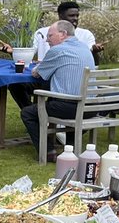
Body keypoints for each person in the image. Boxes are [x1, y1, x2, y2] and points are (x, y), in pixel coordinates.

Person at [19, 20, 95, 158]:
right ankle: (70, 147)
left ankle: (48, 151)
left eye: (50, 36)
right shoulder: (85, 48)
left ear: (63, 34)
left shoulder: (57, 50)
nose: (47, 40)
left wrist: (36, 67)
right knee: (62, 94)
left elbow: (37, 73)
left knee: (28, 113)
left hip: (72, 108)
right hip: (90, 107)